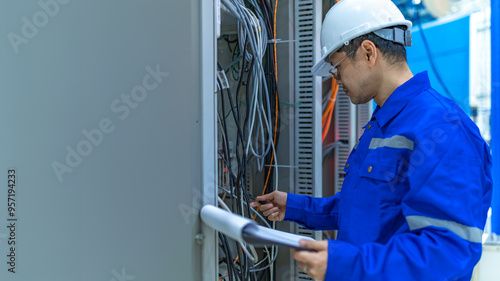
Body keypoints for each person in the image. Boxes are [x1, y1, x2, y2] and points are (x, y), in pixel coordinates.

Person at [250, 0, 493, 280]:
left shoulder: (443, 128)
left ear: (368, 52)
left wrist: (348, 264)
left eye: (337, 66)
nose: (336, 78)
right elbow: (365, 209)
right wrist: (294, 206)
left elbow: (447, 253)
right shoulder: (382, 125)